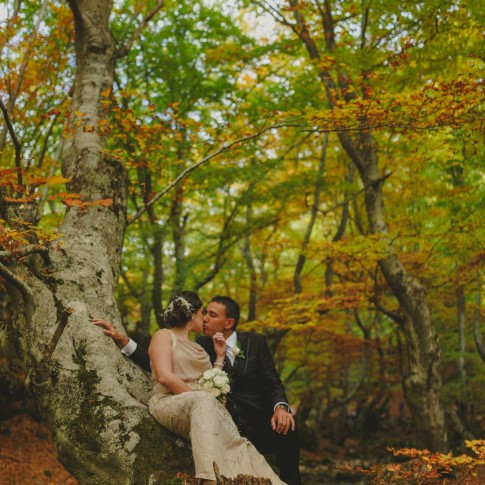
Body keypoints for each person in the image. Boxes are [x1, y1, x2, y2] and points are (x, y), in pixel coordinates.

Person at [94, 295, 302, 485]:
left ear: (228, 323)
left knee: (288, 431)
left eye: (212, 315)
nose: (205, 319)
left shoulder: (254, 342)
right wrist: (123, 341)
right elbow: (159, 363)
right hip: (211, 412)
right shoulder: (201, 342)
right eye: (205, 312)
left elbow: (272, 380)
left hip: (254, 419)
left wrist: (281, 407)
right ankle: (211, 478)